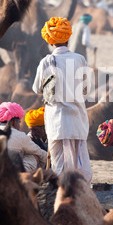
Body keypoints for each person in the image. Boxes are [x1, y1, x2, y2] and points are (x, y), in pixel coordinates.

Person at [32, 17, 92, 184]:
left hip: (56, 122)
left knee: (58, 167)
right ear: (68, 38)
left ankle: (61, 197)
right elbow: (86, 89)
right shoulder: (80, 59)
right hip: (78, 120)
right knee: (81, 163)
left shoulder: (46, 62)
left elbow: (36, 89)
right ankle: (82, 193)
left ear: (50, 41)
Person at [0, 102, 47, 173]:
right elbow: (40, 153)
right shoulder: (20, 136)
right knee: (33, 156)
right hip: (12, 173)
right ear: (14, 122)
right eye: (19, 122)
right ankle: (22, 175)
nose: (19, 125)